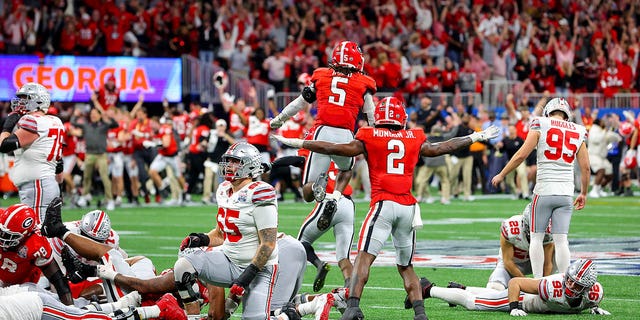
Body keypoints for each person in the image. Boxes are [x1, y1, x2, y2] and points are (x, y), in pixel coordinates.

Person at [274, 96, 500, 320]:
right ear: (402, 118)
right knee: (406, 265)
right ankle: (420, 314)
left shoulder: (369, 135)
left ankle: (352, 307)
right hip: (408, 207)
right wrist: (475, 136)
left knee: (363, 258)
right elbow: (442, 147)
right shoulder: (414, 136)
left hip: (383, 204)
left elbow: (337, 148)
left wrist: (303, 143)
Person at [270, 40, 377, 233]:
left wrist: (279, 119)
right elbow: (372, 116)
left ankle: (319, 189)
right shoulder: (363, 82)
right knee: (345, 171)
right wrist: (375, 136)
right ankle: (335, 197)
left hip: (321, 133)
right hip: (345, 135)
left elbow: (299, 103)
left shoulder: (321, 75)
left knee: (307, 192)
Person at [175, 141, 279, 319]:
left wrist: (246, 277)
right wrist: (201, 239)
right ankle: (193, 316)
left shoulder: (260, 193)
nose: (229, 166)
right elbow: (221, 234)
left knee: (254, 318)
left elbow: (268, 244)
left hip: (259, 270)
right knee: (183, 265)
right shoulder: (224, 190)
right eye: (228, 161)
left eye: (235, 161)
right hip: (229, 260)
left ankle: (293, 312)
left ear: (249, 165)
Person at [491, 98, 590, 278]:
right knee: (561, 241)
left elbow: (521, 154)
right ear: (567, 114)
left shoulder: (540, 123)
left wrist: (502, 174)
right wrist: (583, 193)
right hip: (566, 192)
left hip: (544, 190)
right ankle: (564, 281)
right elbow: (585, 167)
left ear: (548, 112)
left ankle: (537, 282)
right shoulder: (578, 130)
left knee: (536, 238)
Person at [414, 259, 610, 316]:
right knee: (474, 304)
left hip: (529, 301)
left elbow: (586, 300)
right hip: (524, 300)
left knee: (491, 294)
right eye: (569, 279)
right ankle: (429, 289)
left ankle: (461, 288)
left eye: (576, 285)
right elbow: (515, 283)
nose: (570, 285)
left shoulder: (594, 294)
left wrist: (593, 307)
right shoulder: (552, 286)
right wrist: (514, 306)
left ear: (587, 288)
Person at [0, 82, 64, 222]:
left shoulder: (32, 121)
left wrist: (6, 127)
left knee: (37, 232)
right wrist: (60, 186)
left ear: (38, 100)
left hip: (37, 185)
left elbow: (3, 145)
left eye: (25, 98)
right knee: (47, 232)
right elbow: (59, 162)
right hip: (44, 183)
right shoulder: (55, 121)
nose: (20, 102)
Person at [0, 204, 73, 305]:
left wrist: (71, 307)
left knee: (48, 302)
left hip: (21, 287)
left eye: (8, 236)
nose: (2, 238)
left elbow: (57, 279)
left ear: (26, 234)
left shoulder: (36, 244)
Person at [487, 203, 554, 291]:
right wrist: (526, 284)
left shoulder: (549, 230)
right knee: (494, 287)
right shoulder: (511, 228)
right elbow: (508, 261)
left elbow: (547, 263)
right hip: (514, 263)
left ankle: (554, 282)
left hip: (536, 262)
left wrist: (543, 286)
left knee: (559, 249)